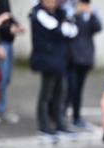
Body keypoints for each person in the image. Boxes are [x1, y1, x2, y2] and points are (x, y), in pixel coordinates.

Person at [29, 0, 78, 137]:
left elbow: (73, 31)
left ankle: (59, 123)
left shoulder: (60, 12)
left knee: (60, 93)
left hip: (60, 60)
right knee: (46, 94)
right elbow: (58, 30)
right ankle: (44, 125)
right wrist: (64, 27)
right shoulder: (38, 13)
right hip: (47, 60)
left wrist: (66, 26)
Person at [66, 0, 102, 128]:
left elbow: (98, 28)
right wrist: (75, 14)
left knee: (78, 91)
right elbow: (67, 30)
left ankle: (76, 117)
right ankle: (62, 115)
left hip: (85, 59)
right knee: (70, 89)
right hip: (72, 59)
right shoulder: (71, 13)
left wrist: (92, 15)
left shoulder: (92, 15)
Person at [0, 0, 24, 124]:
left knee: (5, 79)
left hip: (7, 43)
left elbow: (8, 16)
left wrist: (17, 26)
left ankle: (1, 110)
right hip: (1, 44)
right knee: (0, 80)